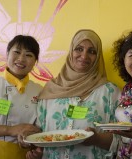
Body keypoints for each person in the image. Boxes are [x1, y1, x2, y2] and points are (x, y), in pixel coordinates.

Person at [26, 29, 121, 159]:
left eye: (92, 51)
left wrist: (97, 139)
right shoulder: (50, 90)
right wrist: (38, 152)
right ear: (71, 51)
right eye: (79, 49)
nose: (84, 55)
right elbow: (41, 136)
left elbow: (122, 140)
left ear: (98, 56)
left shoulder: (110, 92)